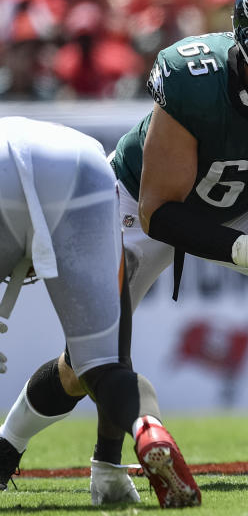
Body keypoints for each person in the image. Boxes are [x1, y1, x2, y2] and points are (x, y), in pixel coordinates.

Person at [0, 0, 248, 498]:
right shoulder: (193, 79)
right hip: (137, 201)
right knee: (88, 360)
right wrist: (244, 249)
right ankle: (7, 445)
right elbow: (161, 212)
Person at [0, 117, 200, 507]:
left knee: (90, 365)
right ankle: (149, 431)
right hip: (84, 165)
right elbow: (116, 357)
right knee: (104, 365)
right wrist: (108, 463)